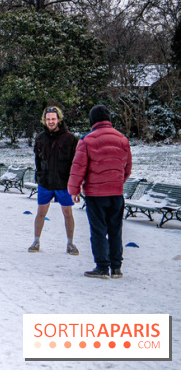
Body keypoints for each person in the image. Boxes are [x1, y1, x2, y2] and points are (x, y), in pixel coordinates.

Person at [68, 105, 132, 279]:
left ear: (92, 120)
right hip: (116, 194)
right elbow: (127, 168)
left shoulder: (87, 140)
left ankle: (102, 267)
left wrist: (74, 190)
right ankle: (117, 267)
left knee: (98, 230)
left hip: (96, 195)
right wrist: (116, 183)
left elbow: (78, 167)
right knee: (115, 230)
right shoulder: (122, 139)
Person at [28, 106, 80, 256]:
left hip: (63, 184)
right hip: (45, 183)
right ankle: (36, 241)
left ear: (59, 119)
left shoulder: (70, 139)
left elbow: (75, 162)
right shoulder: (40, 138)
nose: (51, 122)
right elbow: (37, 160)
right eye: (48, 119)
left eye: (53, 119)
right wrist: (39, 176)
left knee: (68, 213)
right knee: (41, 212)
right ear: (44, 120)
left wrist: (74, 182)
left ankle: (70, 243)